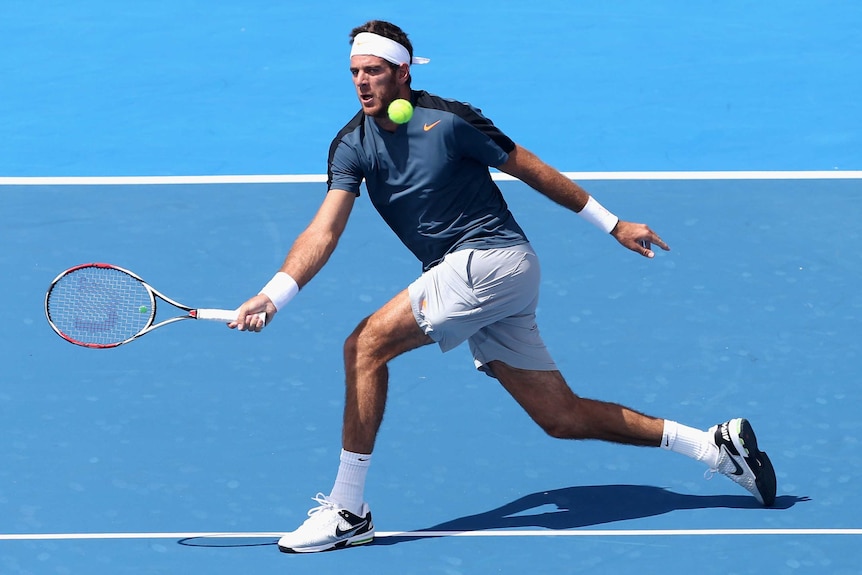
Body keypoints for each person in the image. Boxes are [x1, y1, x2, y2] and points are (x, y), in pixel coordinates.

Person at [229, 20, 776, 554]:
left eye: (373, 71)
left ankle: (349, 510)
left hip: (491, 260)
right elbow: (324, 230)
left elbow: (530, 168)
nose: (361, 83)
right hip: (476, 277)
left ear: (401, 72)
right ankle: (713, 446)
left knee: (364, 346)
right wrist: (275, 294)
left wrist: (613, 224)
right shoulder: (351, 144)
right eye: (354, 72)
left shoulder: (449, 121)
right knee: (561, 417)